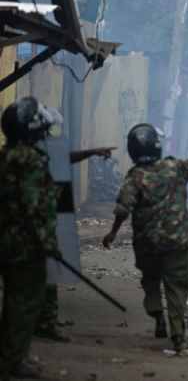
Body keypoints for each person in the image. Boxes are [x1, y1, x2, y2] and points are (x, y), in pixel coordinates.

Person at [103, 123, 188, 353]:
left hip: (147, 243)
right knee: (177, 287)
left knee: (151, 282)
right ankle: (178, 334)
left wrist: (112, 233)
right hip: (177, 242)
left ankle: (157, 316)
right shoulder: (175, 167)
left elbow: (123, 209)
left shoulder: (134, 177)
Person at [0, 97, 64, 380]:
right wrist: (49, 245)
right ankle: (13, 361)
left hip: (7, 239)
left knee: (13, 301)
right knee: (24, 304)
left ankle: (10, 357)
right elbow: (35, 207)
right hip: (25, 245)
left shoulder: (6, 156)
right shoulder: (32, 161)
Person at [36, 147, 115, 343]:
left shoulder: (14, 158)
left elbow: (62, 157)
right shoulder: (30, 160)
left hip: (20, 236)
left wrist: (91, 152)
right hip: (30, 235)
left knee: (32, 284)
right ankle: (32, 332)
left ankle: (41, 323)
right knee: (31, 286)